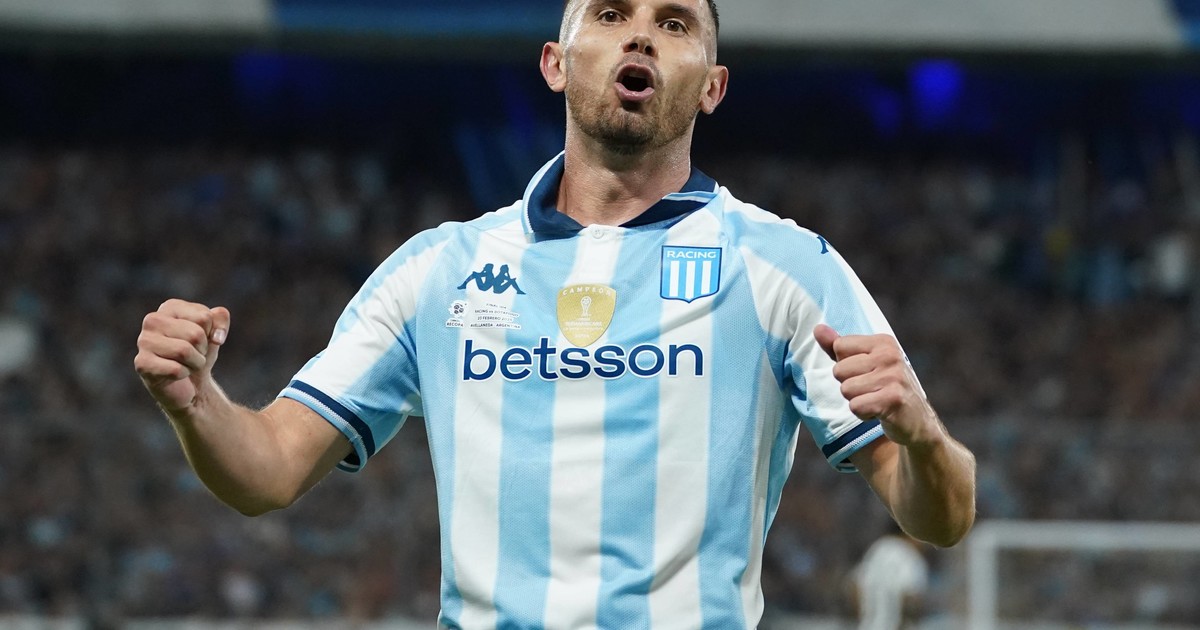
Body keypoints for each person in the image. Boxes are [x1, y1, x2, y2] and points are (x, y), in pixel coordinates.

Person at [133, 0, 976, 627]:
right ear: (556, 63)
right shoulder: (438, 270)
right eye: (610, 14)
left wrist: (923, 439)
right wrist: (196, 402)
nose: (640, 36)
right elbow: (269, 469)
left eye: (675, 23)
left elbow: (942, 516)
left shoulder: (783, 266)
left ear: (713, 87)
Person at [849, 522, 930, 630]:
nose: (925, 543)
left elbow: (854, 586)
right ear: (911, 532)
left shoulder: (878, 547)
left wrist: (865, 615)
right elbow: (910, 599)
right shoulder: (911, 556)